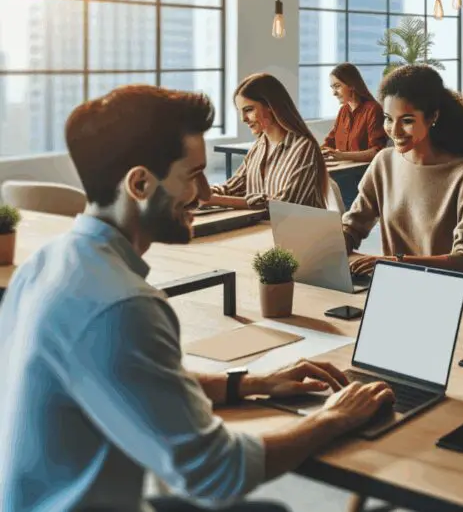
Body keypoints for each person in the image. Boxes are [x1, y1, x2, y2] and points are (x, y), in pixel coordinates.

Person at [0, 85, 394, 510]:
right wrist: (335, 417)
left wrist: (248, 383)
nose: (206, 193)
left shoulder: (47, 263)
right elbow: (217, 472)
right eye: (192, 175)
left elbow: (140, 379)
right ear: (140, 183)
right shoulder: (123, 305)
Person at [342, 65, 463, 279]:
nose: (395, 130)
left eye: (407, 120)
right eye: (388, 118)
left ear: (432, 117)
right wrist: (331, 245)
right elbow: (352, 226)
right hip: (398, 285)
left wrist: (392, 264)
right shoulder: (384, 162)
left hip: (455, 292)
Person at [209, 73, 327, 210]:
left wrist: (218, 200)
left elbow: (284, 206)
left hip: (302, 230)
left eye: (248, 110)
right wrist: (205, 193)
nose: (243, 119)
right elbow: (232, 187)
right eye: (240, 111)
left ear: (271, 106)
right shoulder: (259, 146)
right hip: (265, 229)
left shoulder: (304, 148)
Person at [321, 63, 388, 163]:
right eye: (332, 88)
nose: (334, 93)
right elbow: (330, 142)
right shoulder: (343, 110)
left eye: (337, 86)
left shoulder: (373, 109)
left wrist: (343, 156)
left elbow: (377, 152)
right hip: (343, 168)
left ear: (351, 85)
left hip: (363, 172)